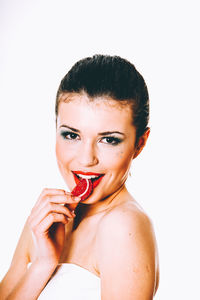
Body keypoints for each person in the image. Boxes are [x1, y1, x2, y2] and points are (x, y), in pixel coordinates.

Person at [0, 54, 159, 299]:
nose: (86, 159)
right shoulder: (47, 217)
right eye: (72, 135)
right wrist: (43, 263)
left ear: (140, 143)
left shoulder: (122, 226)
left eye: (109, 140)